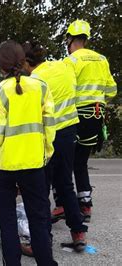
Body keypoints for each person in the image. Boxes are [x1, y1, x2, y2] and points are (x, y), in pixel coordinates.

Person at [0, 40, 57, 265]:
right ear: (23, 61)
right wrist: (45, 153)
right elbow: (50, 127)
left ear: (0, 67)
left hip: (2, 168)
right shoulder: (41, 88)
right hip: (33, 165)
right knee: (39, 220)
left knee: (8, 223)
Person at [22, 40, 88, 252]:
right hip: (69, 133)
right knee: (65, 185)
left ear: (25, 62)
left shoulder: (35, 80)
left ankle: (42, 243)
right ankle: (78, 233)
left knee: (42, 189)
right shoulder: (63, 66)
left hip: (49, 136)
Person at [63, 20, 117, 222]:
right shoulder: (102, 60)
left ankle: (63, 205)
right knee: (81, 162)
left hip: (77, 117)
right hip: (96, 116)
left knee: (65, 162)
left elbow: (66, 90)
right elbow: (112, 90)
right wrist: (97, 99)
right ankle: (85, 205)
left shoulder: (72, 61)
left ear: (70, 39)